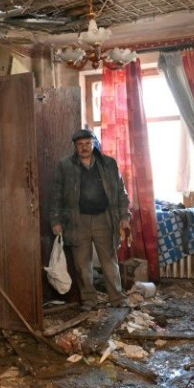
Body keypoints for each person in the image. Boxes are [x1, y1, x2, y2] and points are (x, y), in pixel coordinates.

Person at [49, 129, 130, 310]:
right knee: (82, 264)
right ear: (75, 147)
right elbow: (56, 196)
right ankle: (89, 301)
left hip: (104, 219)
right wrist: (55, 220)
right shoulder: (65, 166)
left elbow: (121, 192)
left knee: (109, 262)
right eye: (80, 145)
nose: (84, 148)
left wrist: (125, 216)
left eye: (87, 143)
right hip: (78, 221)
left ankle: (117, 299)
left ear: (94, 143)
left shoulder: (108, 164)